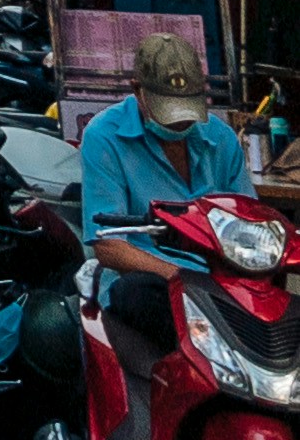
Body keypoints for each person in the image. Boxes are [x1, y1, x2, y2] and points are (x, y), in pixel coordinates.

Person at [79, 24, 260, 276]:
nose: (180, 121)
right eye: (168, 109)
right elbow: (109, 246)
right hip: (148, 278)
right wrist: (182, 279)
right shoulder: (104, 136)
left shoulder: (221, 137)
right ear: (137, 90)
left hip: (220, 277)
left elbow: (251, 223)